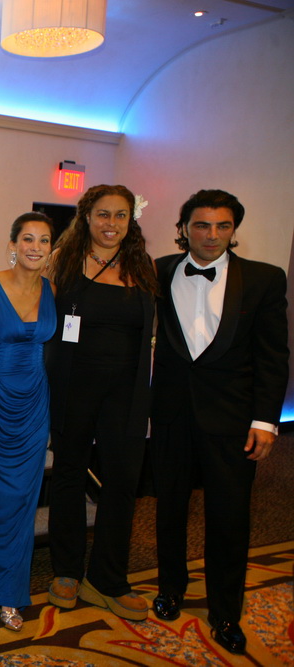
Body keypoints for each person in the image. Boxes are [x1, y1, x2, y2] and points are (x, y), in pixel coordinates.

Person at [150, 190, 288, 655]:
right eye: (202, 225)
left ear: (233, 230)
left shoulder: (265, 279)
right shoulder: (158, 271)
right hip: (170, 415)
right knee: (168, 510)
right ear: (184, 228)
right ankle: (170, 589)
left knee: (229, 518)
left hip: (232, 420)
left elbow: (273, 356)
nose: (212, 235)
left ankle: (226, 611)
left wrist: (266, 420)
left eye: (222, 226)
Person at [45, 184, 157, 621]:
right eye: (103, 215)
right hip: (73, 387)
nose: (111, 224)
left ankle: (107, 578)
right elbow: (37, 313)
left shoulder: (143, 265)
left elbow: (153, 331)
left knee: (123, 482)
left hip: (126, 393)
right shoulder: (63, 260)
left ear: (131, 220)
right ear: (87, 217)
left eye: (120, 215)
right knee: (69, 476)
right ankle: (67, 571)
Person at [0, 212, 57, 632]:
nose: (36, 247)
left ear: (51, 248)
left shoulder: (53, 291)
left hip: (33, 405)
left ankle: (7, 588)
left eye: (44, 240)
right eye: (28, 239)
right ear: (13, 245)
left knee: (22, 500)